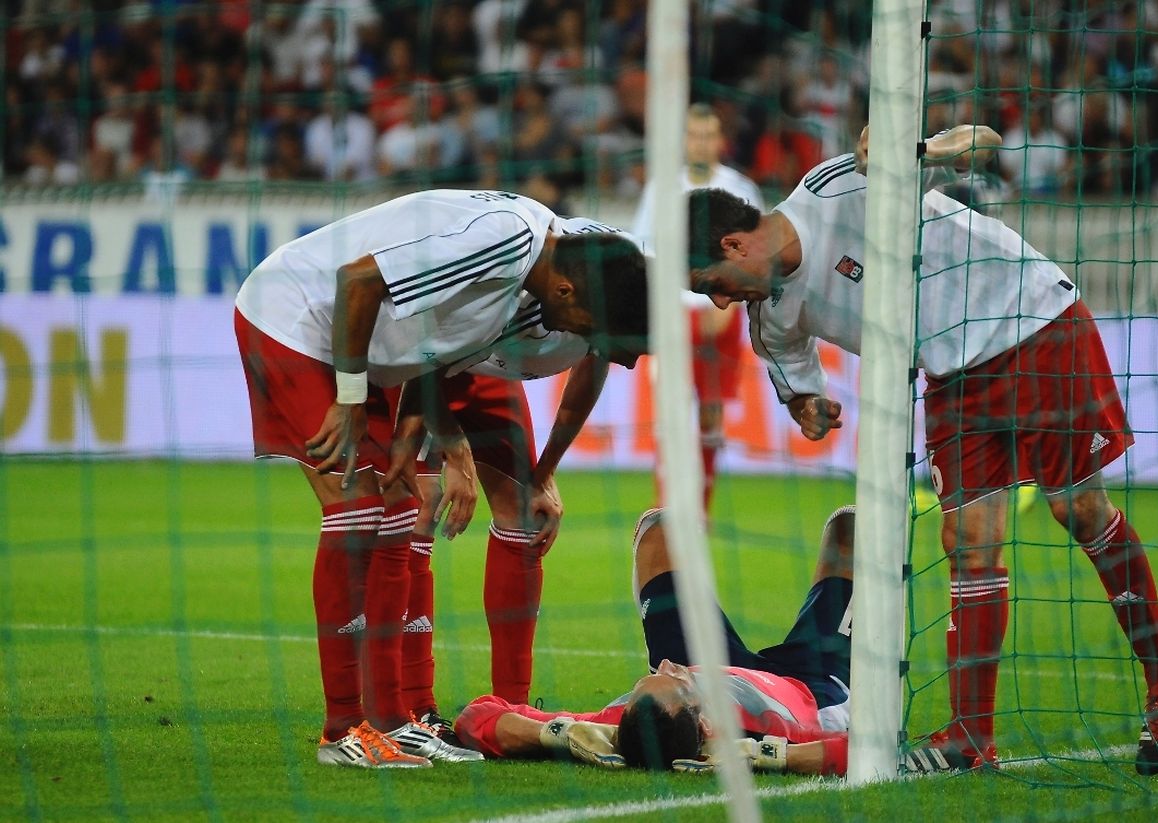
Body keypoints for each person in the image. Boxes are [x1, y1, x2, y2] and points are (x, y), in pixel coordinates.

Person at [684, 124, 1158, 776]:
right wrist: (809, 408)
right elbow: (796, 379)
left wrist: (922, 149)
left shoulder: (836, 188)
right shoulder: (771, 315)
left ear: (734, 245)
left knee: (1079, 511)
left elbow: (979, 139)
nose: (721, 301)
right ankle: (970, 737)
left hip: (1031, 322)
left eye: (713, 282)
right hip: (953, 378)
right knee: (966, 539)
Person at [233, 189, 648, 768]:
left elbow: (428, 358)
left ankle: (392, 721)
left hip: (369, 352)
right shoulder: (508, 244)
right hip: (296, 317)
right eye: (590, 328)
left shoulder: (523, 288)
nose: (592, 346)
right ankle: (342, 730)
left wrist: (419, 440)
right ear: (564, 291)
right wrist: (353, 401)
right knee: (357, 509)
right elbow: (358, 281)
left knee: (398, 510)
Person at [383, 217, 647, 735]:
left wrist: (543, 474)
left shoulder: (617, 291)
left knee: (527, 515)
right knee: (417, 511)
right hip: (419, 361)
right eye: (635, 349)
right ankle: (414, 706)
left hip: (486, 369)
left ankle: (510, 709)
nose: (635, 364)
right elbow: (428, 345)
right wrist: (455, 456)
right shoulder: (525, 274)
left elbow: (585, 380)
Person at [451, 505, 855, 775]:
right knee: (851, 527)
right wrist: (772, 755)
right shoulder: (769, 729)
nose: (664, 665)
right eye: (672, 679)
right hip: (809, 684)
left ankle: (681, 686)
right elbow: (861, 750)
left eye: (646, 679)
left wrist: (561, 733)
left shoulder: (619, 720)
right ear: (704, 722)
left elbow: (477, 717)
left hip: (706, 662)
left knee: (660, 527)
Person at [631, 103, 765, 512]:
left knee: (710, 414)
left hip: (721, 313)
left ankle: (701, 507)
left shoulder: (741, 188)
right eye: (694, 135)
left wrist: (732, 300)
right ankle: (663, 507)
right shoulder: (661, 188)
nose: (701, 143)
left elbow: (757, 254)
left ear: (719, 141)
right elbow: (642, 248)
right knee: (669, 415)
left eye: (708, 136)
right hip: (674, 314)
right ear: (684, 141)